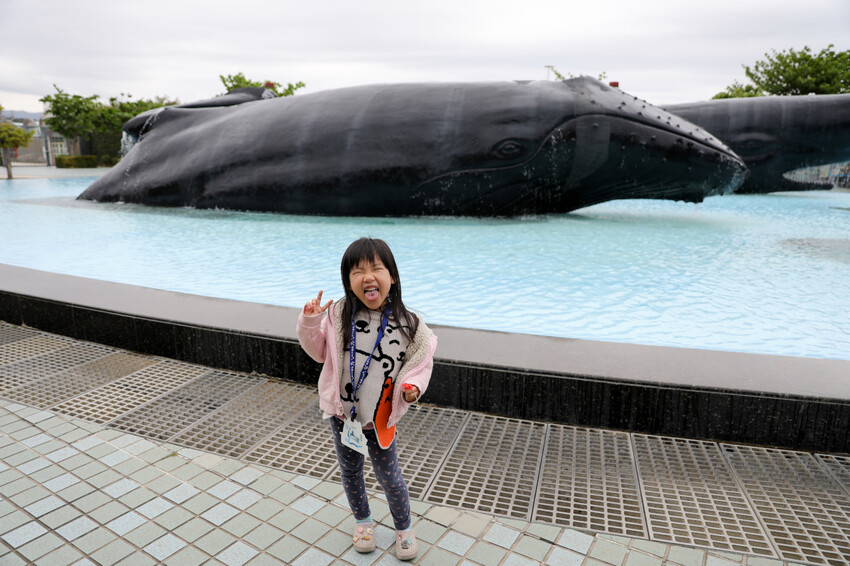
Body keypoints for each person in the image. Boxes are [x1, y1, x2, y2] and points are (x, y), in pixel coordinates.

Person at [297, 237, 437, 561]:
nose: (368, 276)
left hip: (380, 421)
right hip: (343, 417)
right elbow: (318, 352)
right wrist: (310, 321)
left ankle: (403, 528)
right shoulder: (340, 315)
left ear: (393, 277)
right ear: (348, 281)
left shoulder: (409, 326)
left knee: (390, 477)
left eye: (376, 268)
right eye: (357, 271)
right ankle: (362, 522)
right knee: (350, 472)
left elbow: (420, 364)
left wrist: (413, 388)